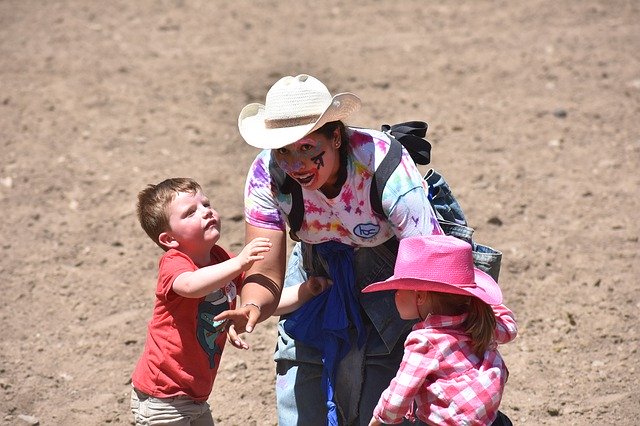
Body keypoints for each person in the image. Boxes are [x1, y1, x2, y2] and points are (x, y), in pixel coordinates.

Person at [215, 74, 442, 425]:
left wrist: (431, 328)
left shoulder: (383, 165)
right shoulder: (267, 174)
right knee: (302, 371)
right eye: (285, 151)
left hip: (397, 273)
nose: (296, 164)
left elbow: (428, 260)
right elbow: (264, 264)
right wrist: (252, 306)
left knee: (381, 395)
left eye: (307, 147)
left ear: (335, 137)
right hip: (317, 266)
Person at [129, 177, 272, 426]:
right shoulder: (174, 262)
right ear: (169, 240)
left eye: (206, 204)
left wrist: (306, 291)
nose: (206, 212)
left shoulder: (218, 258)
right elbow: (190, 285)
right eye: (190, 212)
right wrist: (239, 262)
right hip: (162, 397)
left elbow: (258, 299)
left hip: (194, 396)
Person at [362, 235, 517, 426]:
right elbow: (509, 326)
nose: (395, 295)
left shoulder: (424, 341)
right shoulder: (478, 322)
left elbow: (397, 399)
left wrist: (377, 421)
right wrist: (478, 297)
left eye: (400, 289)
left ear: (420, 296)